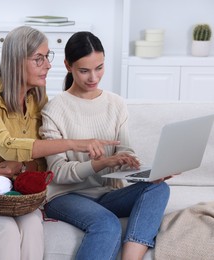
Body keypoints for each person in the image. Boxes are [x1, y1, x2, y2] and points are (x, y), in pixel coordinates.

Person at [0, 26, 119, 260]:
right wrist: (74, 143)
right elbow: (7, 145)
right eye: (38, 59)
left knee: (33, 224)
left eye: (47, 56)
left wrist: (20, 167)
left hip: (12, 192)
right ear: (15, 61)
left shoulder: (37, 99)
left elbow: (41, 164)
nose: (48, 65)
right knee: (4, 231)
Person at [39, 31, 171, 260]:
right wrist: (100, 164)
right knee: (107, 223)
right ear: (68, 65)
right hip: (65, 196)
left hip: (108, 194)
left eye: (99, 67)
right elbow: (57, 172)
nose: (93, 77)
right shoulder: (54, 109)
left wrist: (144, 172)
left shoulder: (116, 104)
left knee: (158, 189)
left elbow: (125, 152)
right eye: (84, 70)